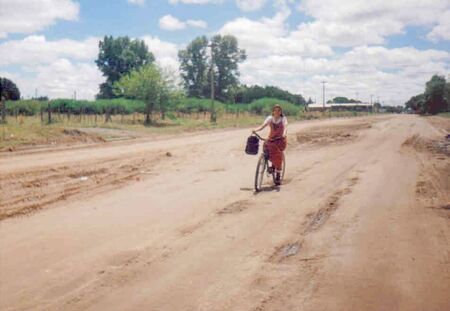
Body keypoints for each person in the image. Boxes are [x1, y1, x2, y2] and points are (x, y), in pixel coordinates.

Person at [252, 105, 287, 185]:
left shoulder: (283, 119)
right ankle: (269, 164)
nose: (277, 112)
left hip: (280, 140)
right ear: (273, 111)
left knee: (278, 155)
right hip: (271, 138)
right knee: (266, 148)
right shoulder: (270, 118)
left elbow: (285, 127)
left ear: (281, 112)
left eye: (279, 110)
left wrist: (284, 134)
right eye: (275, 110)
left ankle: (278, 174)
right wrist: (255, 130)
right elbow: (262, 126)